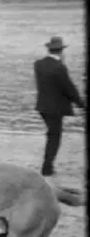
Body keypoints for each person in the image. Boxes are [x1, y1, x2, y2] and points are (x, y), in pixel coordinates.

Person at [34, 36, 85, 180]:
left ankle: (47, 166)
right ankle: (47, 168)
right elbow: (69, 89)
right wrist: (82, 105)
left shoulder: (38, 64)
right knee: (55, 137)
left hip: (42, 106)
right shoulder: (59, 68)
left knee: (51, 134)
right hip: (55, 108)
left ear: (49, 49)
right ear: (61, 51)